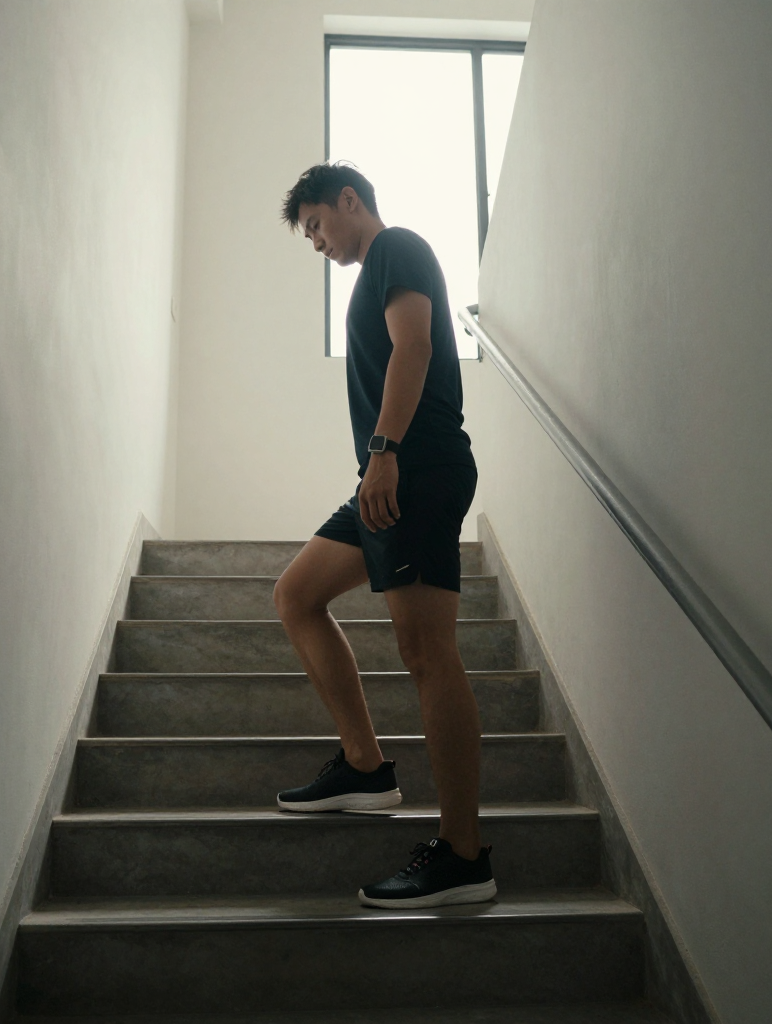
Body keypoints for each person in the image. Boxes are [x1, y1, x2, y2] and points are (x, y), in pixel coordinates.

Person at [273, 162, 495, 909]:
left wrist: (383, 453)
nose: (315, 243)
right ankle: (366, 766)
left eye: (314, 225)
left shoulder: (396, 245)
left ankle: (463, 855)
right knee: (297, 594)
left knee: (427, 654)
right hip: (390, 474)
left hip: (416, 466)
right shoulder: (372, 270)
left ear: (347, 200)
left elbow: (417, 347)